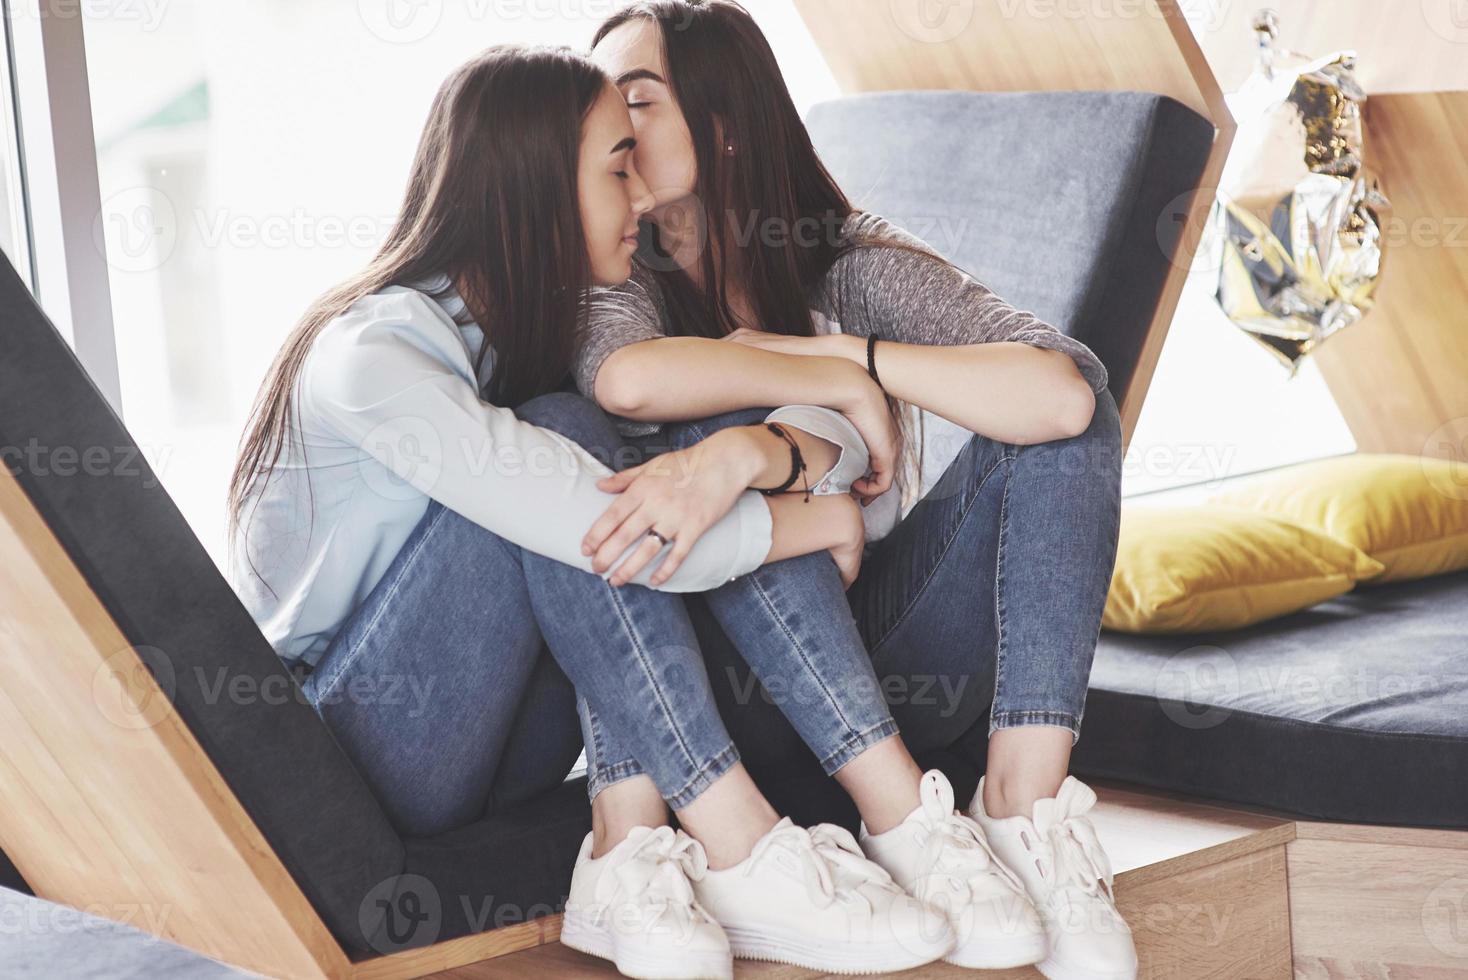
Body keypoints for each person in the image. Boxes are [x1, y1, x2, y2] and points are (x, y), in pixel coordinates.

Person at [225, 42, 984, 980]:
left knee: (655, 428)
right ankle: (736, 838)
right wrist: (814, 520)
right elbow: (607, 531)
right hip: (367, 745)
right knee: (558, 454)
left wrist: (786, 424)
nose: (644, 198)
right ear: (537, 186)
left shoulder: (523, 334)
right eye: (617, 167)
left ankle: (639, 854)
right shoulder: (374, 356)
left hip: (501, 733)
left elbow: (663, 486)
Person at [577, 4, 1136, 979]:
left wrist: (846, 354)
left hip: (888, 652)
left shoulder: (838, 254)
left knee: (1073, 398)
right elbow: (625, 384)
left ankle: (1021, 808)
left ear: (723, 122)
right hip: (719, 691)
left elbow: (1056, 395)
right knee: (707, 435)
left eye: (637, 102)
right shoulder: (616, 269)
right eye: (601, 111)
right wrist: (766, 440)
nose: (613, 133)